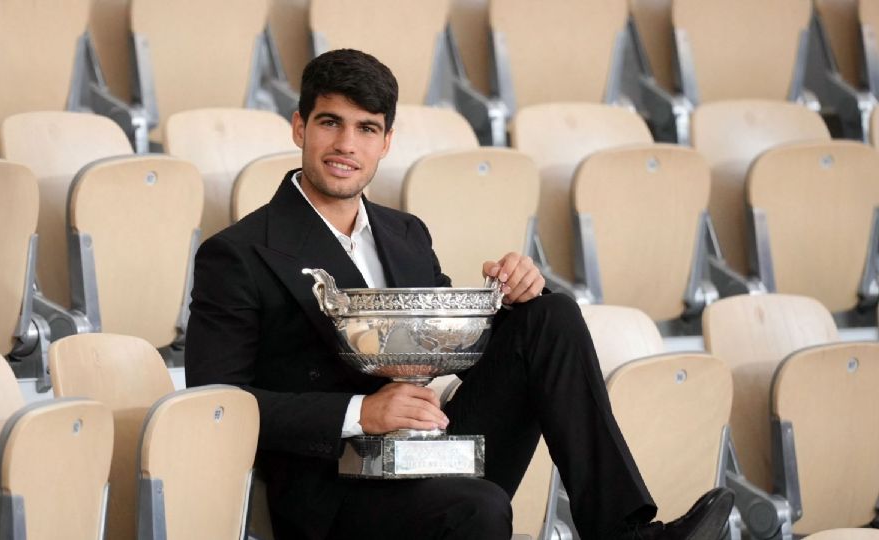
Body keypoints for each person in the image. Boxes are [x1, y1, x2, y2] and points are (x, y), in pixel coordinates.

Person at [185, 48, 734, 540]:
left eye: (367, 129)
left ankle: (622, 534)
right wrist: (361, 412)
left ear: (387, 141)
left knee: (549, 314)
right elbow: (217, 407)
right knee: (478, 507)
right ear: (299, 127)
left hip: (427, 452)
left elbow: (453, 346)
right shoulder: (236, 252)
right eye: (331, 123)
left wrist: (509, 296)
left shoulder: (406, 234)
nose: (347, 145)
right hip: (333, 487)